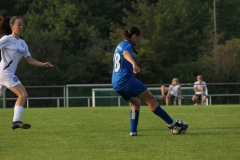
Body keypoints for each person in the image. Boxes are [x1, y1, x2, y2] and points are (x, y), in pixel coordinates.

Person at [111, 26, 188, 136]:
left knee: (136, 102)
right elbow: (125, 54)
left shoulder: (120, 44)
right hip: (126, 80)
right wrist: (134, 64)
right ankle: (172, 124)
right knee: (151, 100)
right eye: (139, 38)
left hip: (116, 82)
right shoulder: (127, 45)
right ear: (134, 36)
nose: (139, 40)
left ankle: (133, 132)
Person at [0, 12, 54, 130]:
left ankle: (16, 121)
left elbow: (30, 60)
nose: (21, 27)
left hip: (6, 74)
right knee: (23, 94)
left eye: (22, 25)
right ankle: (16, 121)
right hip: (5, 73)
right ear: (12, 26)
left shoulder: (23, 43)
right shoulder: (6, 39)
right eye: (18, 25)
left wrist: (43, 64)